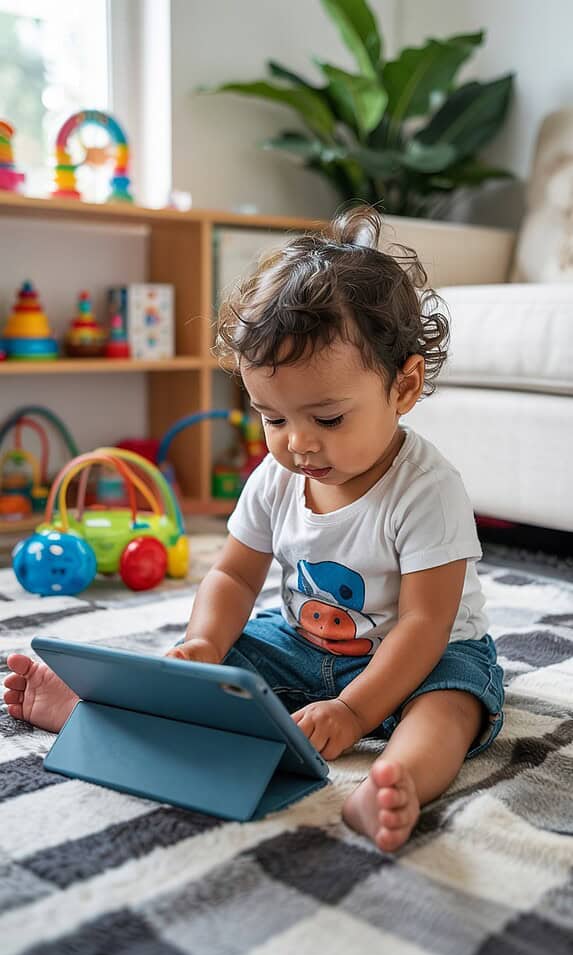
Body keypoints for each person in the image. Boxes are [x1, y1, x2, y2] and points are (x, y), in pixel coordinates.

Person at [3, 206, 504, 852]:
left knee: (451, 707)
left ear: (403, 388)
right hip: (301, 643)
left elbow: (423, 624)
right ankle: (92, 715)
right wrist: (203, 644)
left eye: (327, 419)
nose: (297, 443)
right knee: (207, 676)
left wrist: (354, 713)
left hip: (423, 656)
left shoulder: (426, 489)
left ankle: (394, 781)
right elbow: (235, 575)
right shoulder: (275, 477)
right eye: (273, 418)